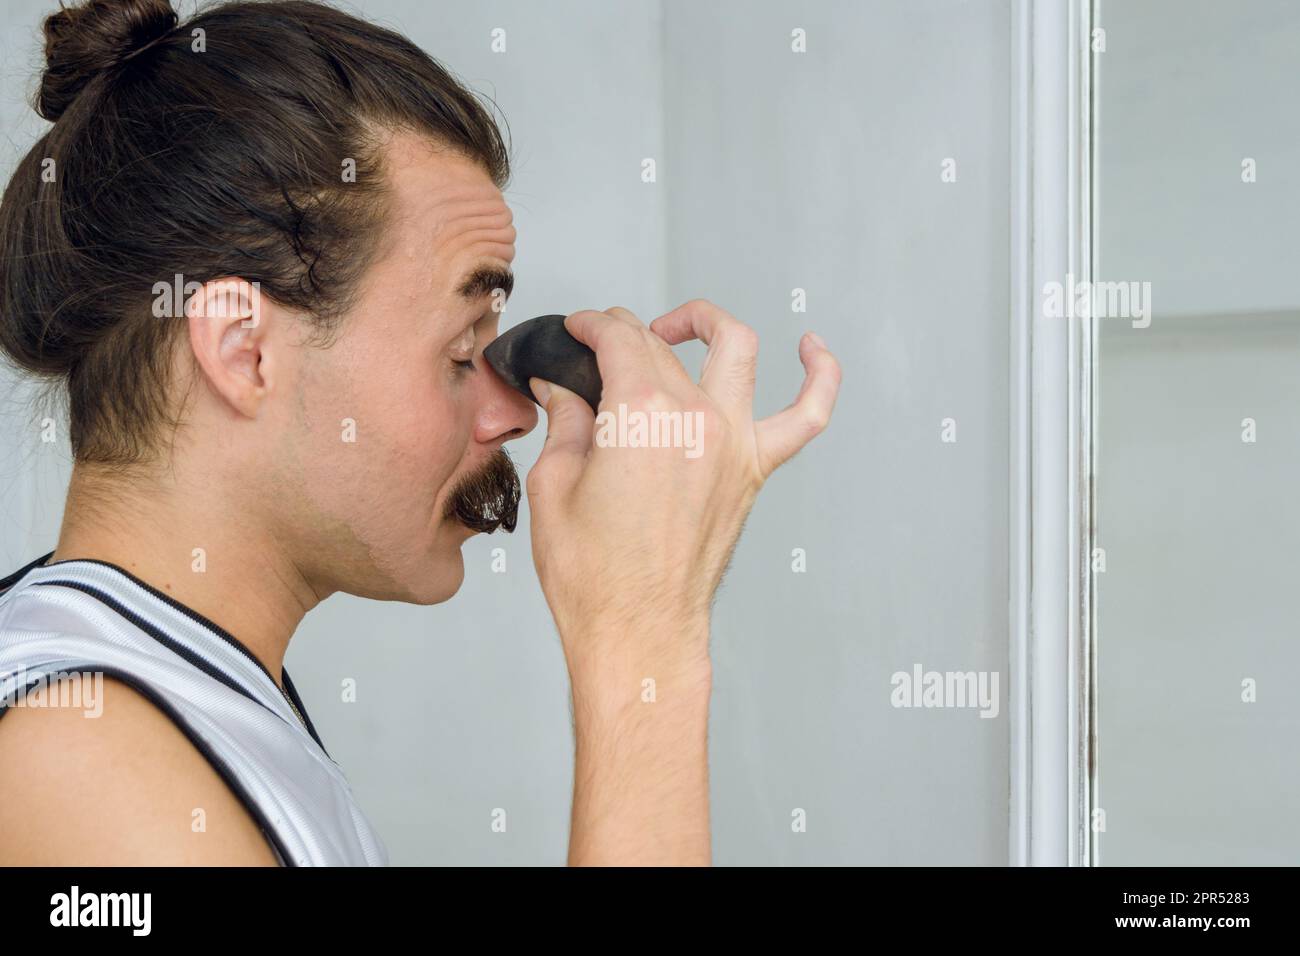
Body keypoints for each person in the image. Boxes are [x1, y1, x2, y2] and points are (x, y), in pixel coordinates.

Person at [0, 0, 840, 866]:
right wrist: (642, 634)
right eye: (460, 349)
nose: (513, 413)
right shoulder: (81, 763)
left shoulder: (177, 694)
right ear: (243, 353)